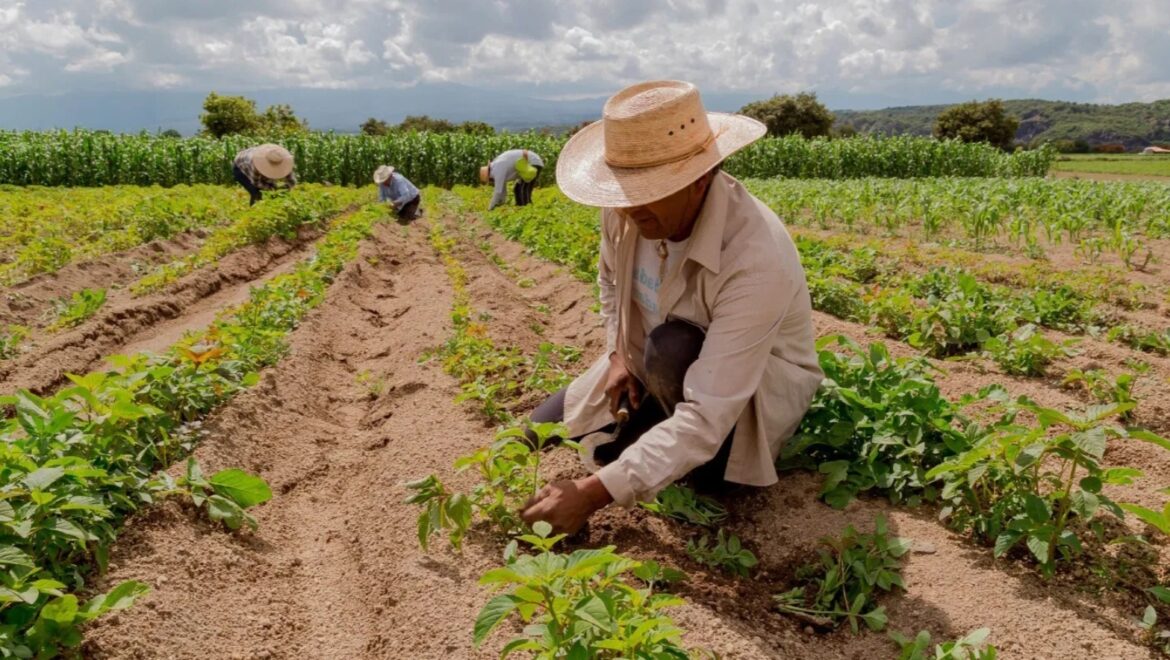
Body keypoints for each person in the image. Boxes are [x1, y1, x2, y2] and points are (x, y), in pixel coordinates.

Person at [519, 80, 824, 535]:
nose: (627, 207)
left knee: (671, 347)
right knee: (531, 432)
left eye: (646, 190)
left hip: (738, 399)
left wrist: (591, 494)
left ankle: (702, 472)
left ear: (699, 179)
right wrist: (618, 352)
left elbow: (706, 417)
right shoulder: (624, 211)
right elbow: (609, 280)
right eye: (622, 191)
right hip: (649, 367)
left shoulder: (756, 258)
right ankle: (648, 424)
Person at [232, 144, 296, 206]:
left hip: (250, 161)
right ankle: (254, 213)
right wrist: (273, 189)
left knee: (273, 193)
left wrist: (284, 190)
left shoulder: (283, 161)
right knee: (256, 193)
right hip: (240, 167)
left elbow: (291, 181)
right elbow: (256, 183)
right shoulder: (256, 165)